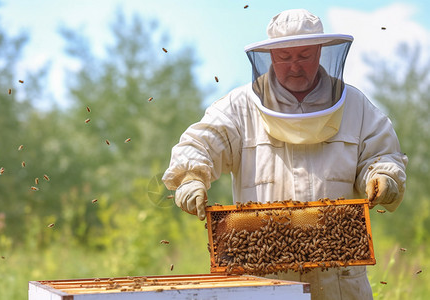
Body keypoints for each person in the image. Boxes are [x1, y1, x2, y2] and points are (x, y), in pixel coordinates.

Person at [162, 8, 407, 300]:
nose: (295, 66)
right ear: (270, 57)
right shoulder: (240, 107)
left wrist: (383, 176)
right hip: (266, 284)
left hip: (340, 284)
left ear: (320, 52)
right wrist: (191, 177)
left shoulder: (355, 106)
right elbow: (201, 143)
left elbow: (382, 155)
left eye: (304, 55)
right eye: (285, 57)